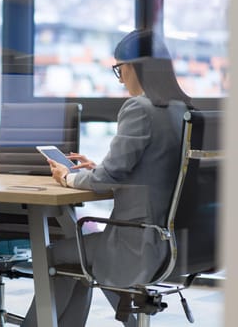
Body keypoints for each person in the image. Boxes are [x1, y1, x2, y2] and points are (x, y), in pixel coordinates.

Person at [22, 28, 193, 327]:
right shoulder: (181, 110)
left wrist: (67, 178)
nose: (121, 77)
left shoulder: (139, 107)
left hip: (138, 243)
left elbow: (110, 175)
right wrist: (97, 167)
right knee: (79, 253)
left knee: (54, 257)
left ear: (134, 66)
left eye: (119, 68)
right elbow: (156, 172)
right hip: (176, 243)